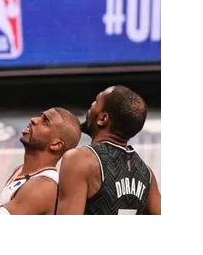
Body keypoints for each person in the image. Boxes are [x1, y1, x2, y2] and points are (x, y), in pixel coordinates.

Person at [55, 85, 162, 215]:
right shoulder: (147, 175)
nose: (91, 105)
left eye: (96, 101)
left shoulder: (81, 159)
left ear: (103, 119)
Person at [0, 107, 81, 215]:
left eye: (45, 122)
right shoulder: (20, 170)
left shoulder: (42, 186)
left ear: (56, 144)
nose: (34, 120)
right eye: (40, 115)